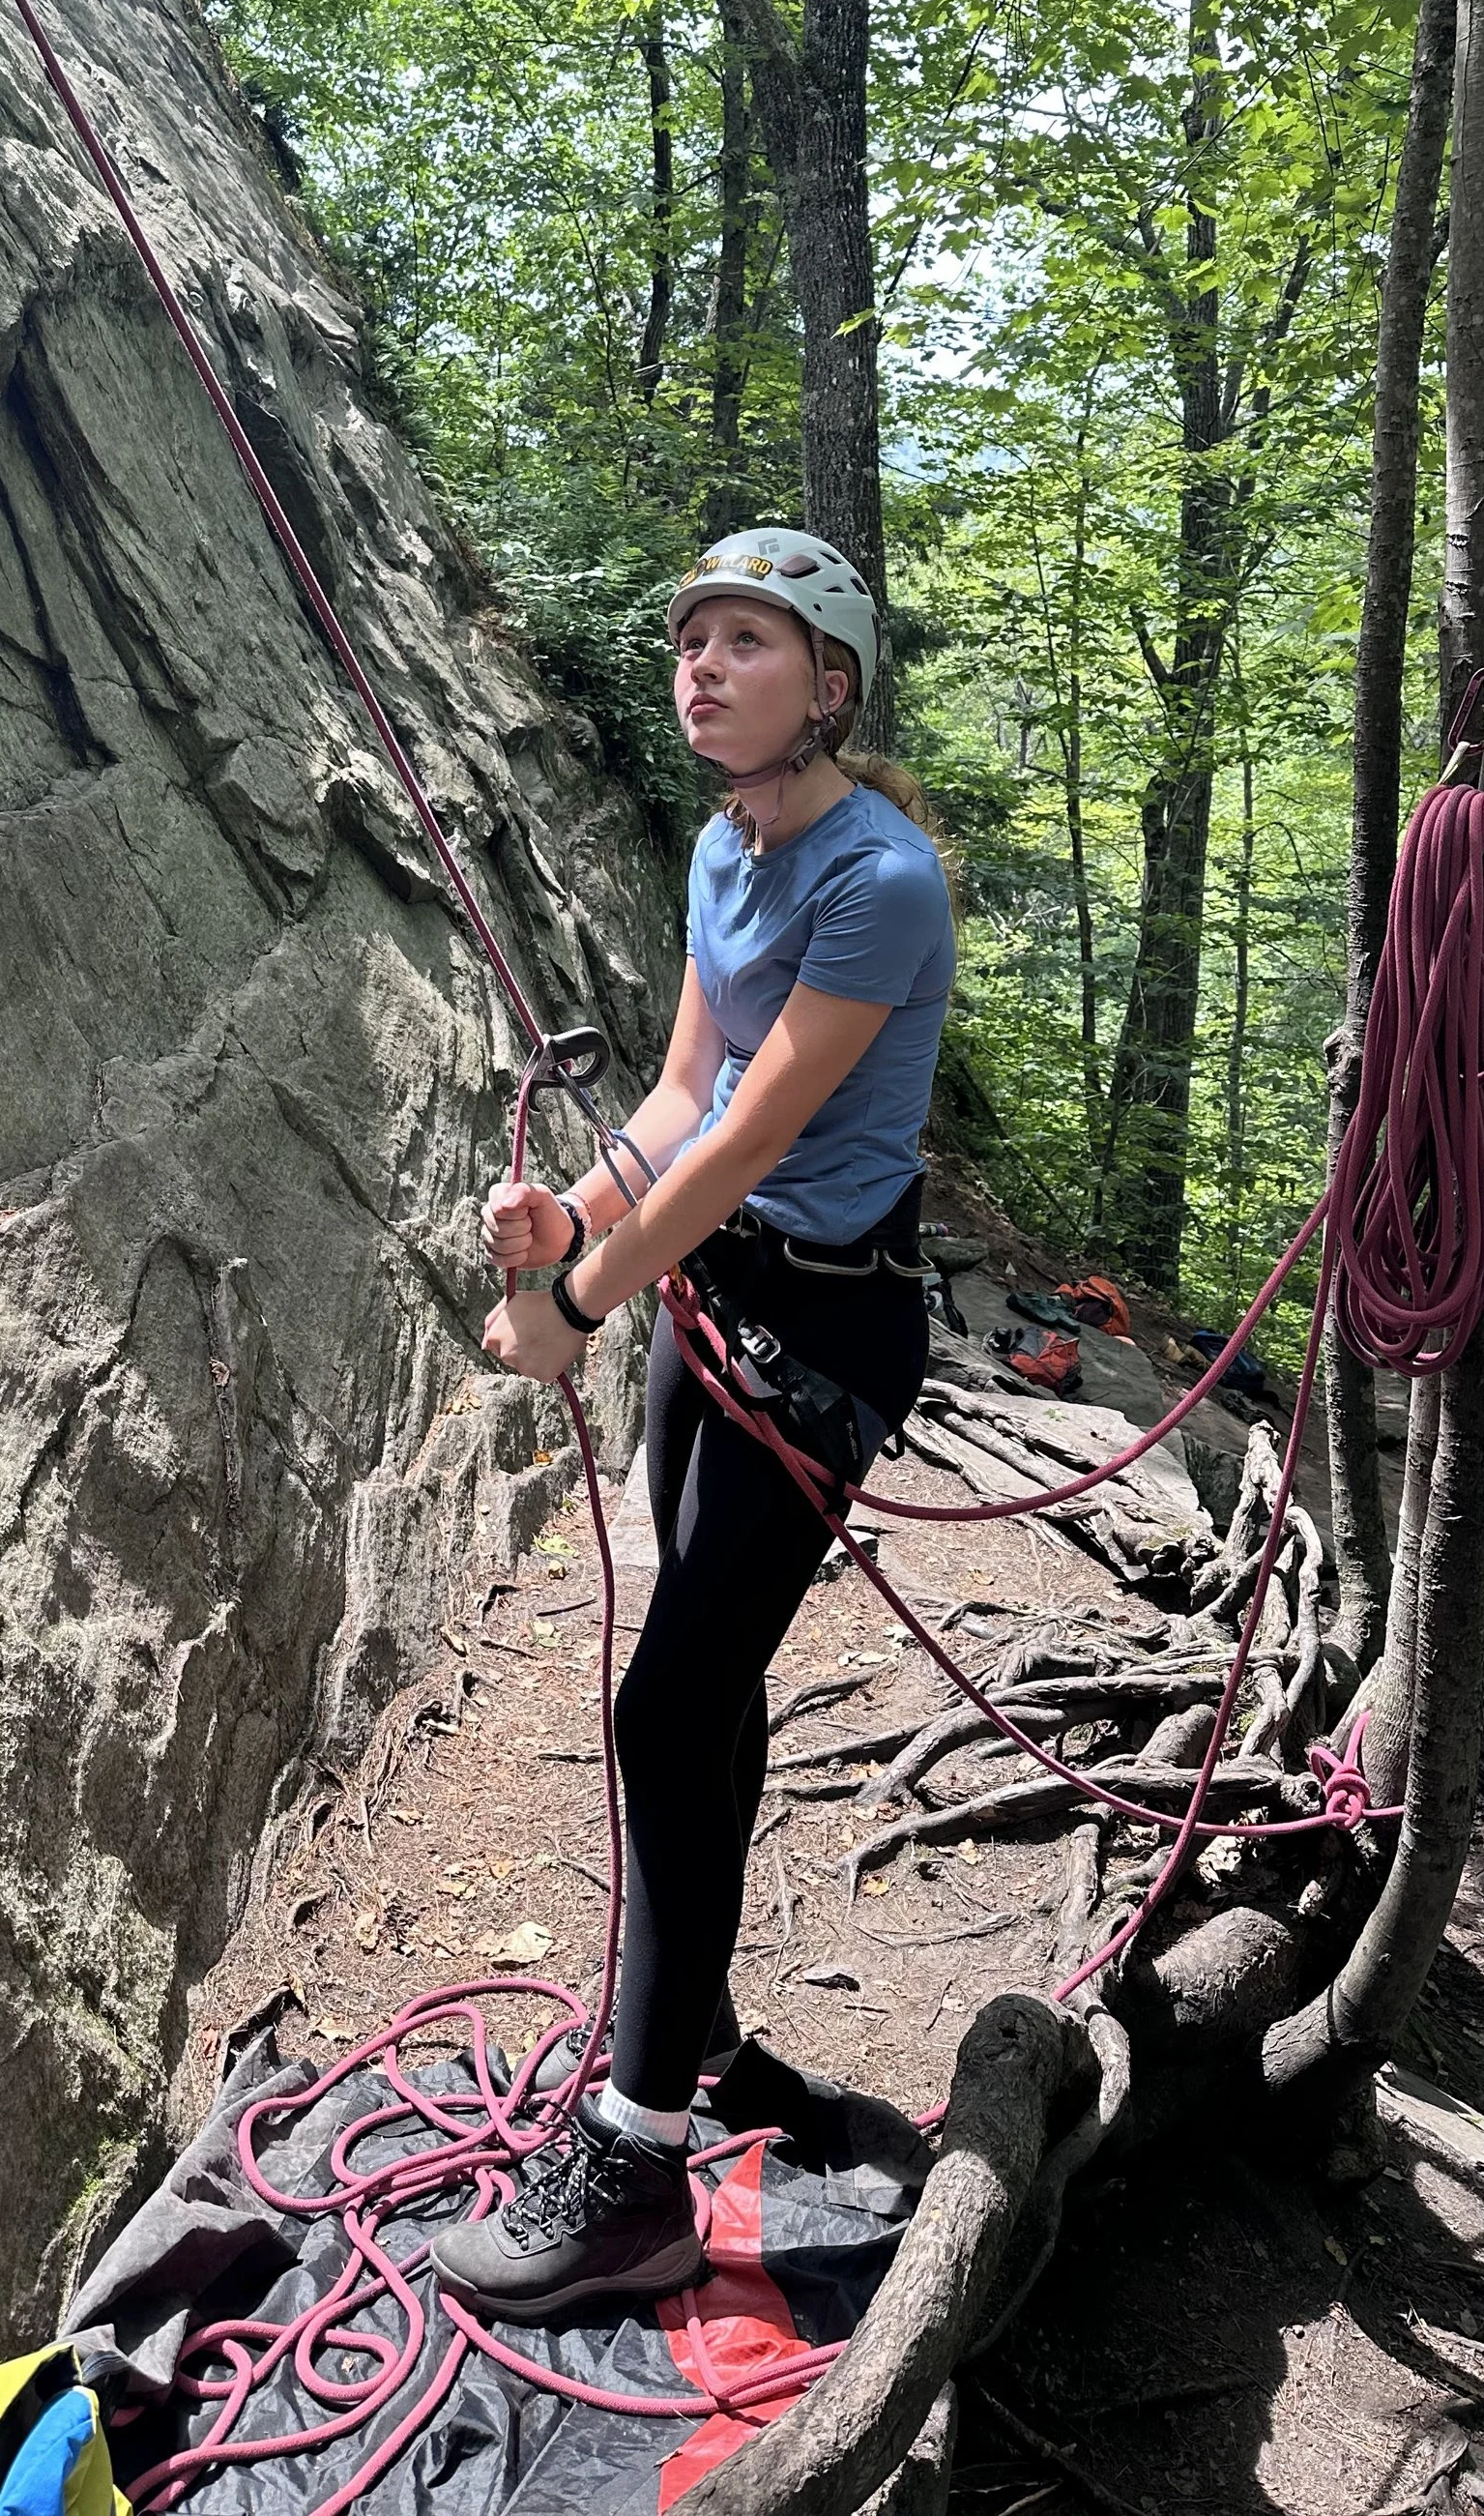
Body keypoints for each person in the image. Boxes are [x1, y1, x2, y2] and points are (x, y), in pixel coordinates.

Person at [430, 527, 956, 2324]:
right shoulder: (725, 848)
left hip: (825, 1323)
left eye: (748, 643)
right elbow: (678, 1097)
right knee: (697, 1671)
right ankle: (701, 2024)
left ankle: (640, 2163)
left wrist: (580, 1297)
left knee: (669, 1686)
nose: (704, 669)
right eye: (692, 643)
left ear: (830, 685)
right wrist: (577, 1216)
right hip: (713, 1295)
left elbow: (759, 1136)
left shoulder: (879, 879)